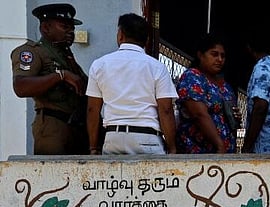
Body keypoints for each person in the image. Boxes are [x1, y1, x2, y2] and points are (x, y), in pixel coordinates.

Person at [85, 13, 177, 155]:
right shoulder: (157, 67)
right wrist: (172, 148)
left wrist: (93, 147)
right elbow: (165, 110)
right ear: (146, 40)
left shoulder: (99, 65)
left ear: (120, 35)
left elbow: (92, 109)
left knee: (113, 177)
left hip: (112, 137)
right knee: (150, 178)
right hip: (147, 138)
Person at [11, 3, 89, 155]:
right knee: (54, 175)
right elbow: (20, 86)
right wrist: (60, 76)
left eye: (72, 28)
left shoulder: (65, 56)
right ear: (46, 28)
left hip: (76, 127)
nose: (70, 32)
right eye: (64, 27)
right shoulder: (33, 52)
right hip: (53, 126)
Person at [175, 34, 238, 154]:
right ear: (200, 55)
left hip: (225, 154)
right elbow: (199, 114)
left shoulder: (224, 85)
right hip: (200, 154)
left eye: (222, 56)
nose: (219, 59)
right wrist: (219, 145)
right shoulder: (193, 77)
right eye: (214, 54)